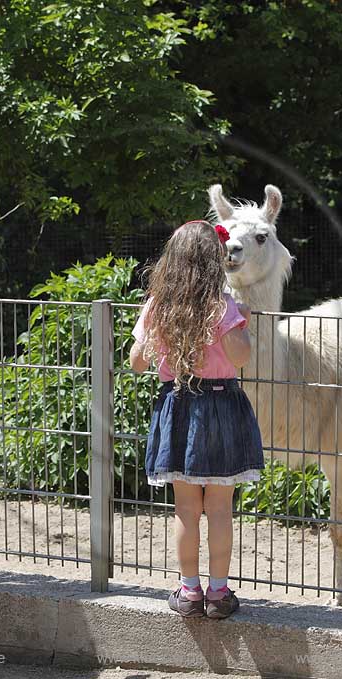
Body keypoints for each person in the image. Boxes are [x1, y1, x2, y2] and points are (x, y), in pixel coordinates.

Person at [128, 219, 264, 619]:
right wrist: (242, 323)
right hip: (221, 407)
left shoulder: (158, 305)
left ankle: (189, 593)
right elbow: (240, 357)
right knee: (220, 509)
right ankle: (219, 595)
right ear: (214, 261)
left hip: (178, 407)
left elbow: (137, 362)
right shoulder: (222, 306)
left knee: (185, 510)